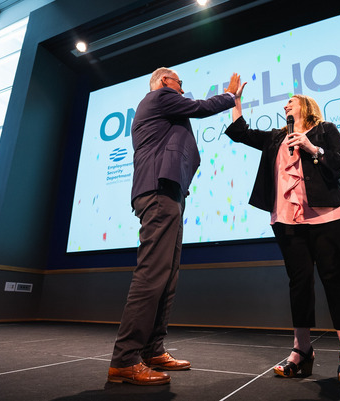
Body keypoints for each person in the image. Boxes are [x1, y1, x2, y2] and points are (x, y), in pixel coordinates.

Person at [108, 67, 242, 386]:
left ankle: (152, 350)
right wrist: (231, 96)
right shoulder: (160, 97)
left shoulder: (166, 105)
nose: (182, 90)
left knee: (167, 276)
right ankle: (125, 359)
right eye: (180, 84)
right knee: (153, 273)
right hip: (157, 191)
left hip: (170, 192)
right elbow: (201, 107)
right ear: (166, 81)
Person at [225, 86, 340, 384]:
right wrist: (235, 101)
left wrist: (312, 148)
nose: (286, 105)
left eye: (291, 101)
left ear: (306, 106)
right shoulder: (275, 136)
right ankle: (301, 350)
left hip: (329, 217)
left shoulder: (325, 130)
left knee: (335, 279)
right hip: (287, 220)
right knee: (299, 282)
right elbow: (240, 133)